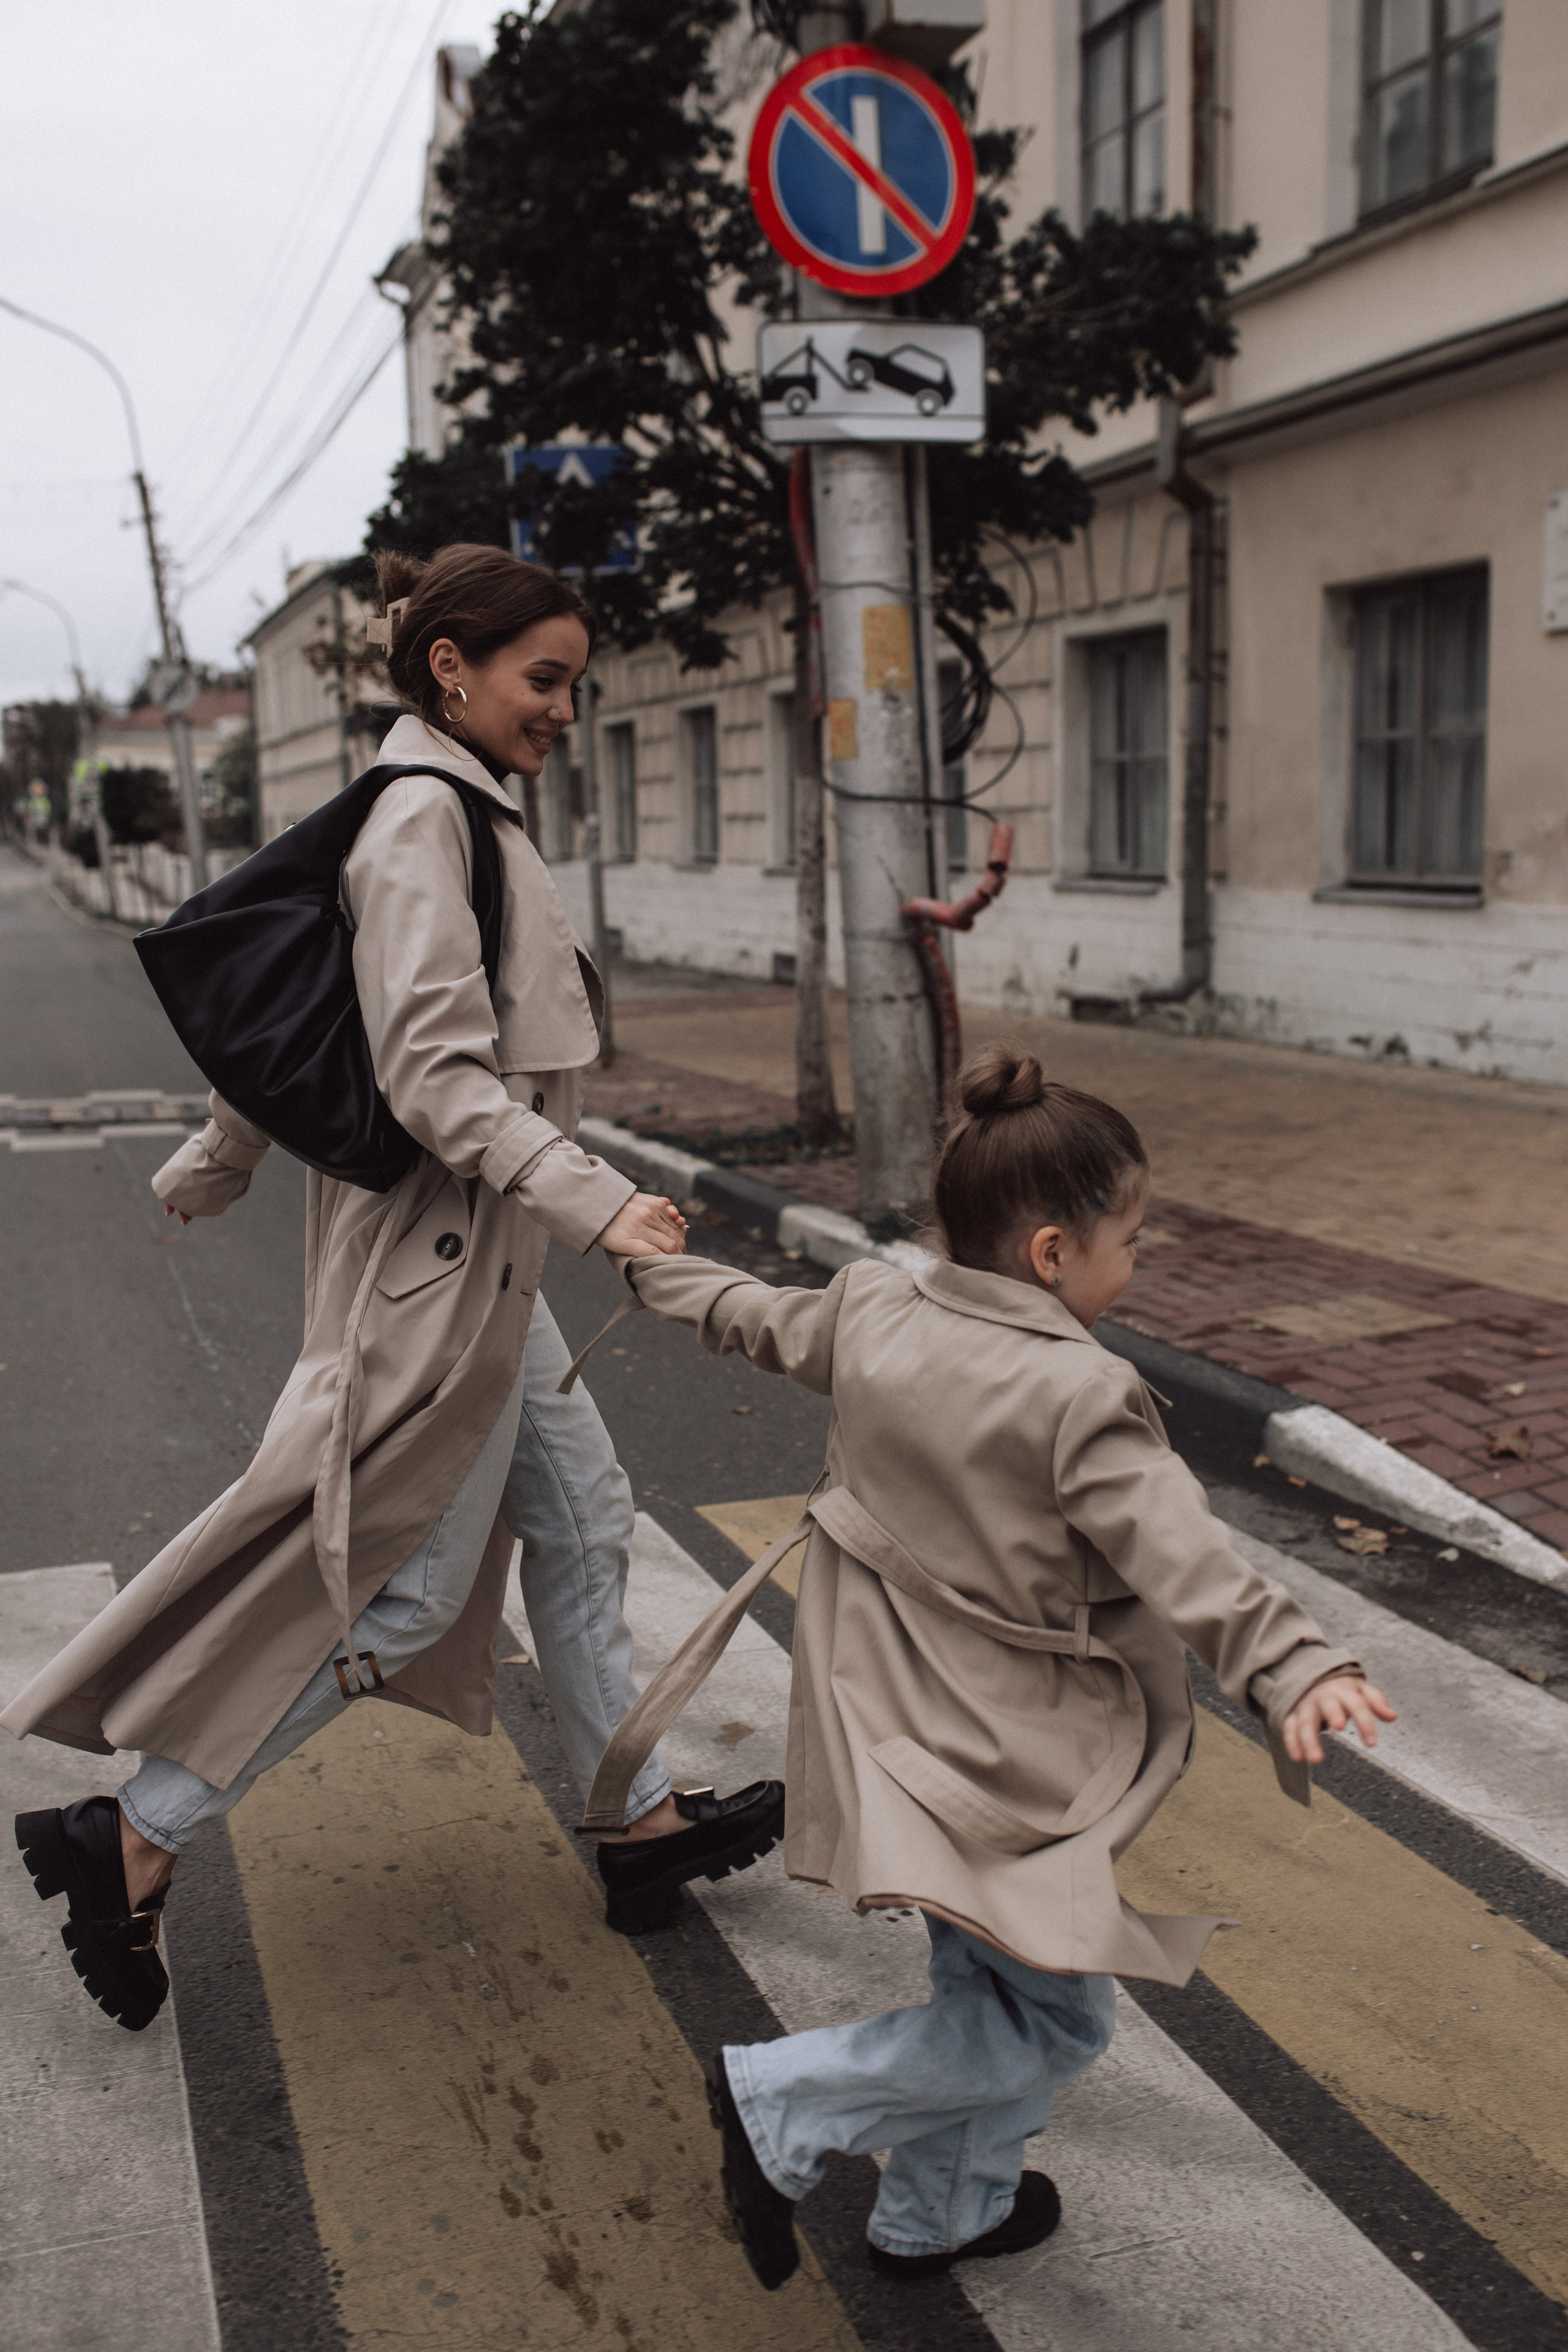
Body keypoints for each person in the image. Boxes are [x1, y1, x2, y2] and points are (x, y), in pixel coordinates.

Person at [7, 544, 783, 2034]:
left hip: (481, 1249)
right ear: (453, 670)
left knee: (582, 1514)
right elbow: (430, 1076)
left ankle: (632, 1822)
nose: (563, 706)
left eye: (571, 679)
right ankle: (140, 1831)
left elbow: (326, 1013)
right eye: (541, 678)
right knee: (402, 1577)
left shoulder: (442, 805)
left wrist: (221, 1151)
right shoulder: (427, 817)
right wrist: (603, 1200)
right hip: (445, 1258)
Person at [577, 1044, 1397, 2288]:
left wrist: (653, 1269)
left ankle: (939, 2213)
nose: (1139, 1259)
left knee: (983, 1971)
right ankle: (782, 2102)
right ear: (1050, 1254)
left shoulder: (875, 1308)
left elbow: (752, 1318)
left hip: (886, 1715)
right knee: (1052, 2015)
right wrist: (1292, 1664)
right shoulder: (1078, 1390)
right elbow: (1186, 1559)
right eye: (1129, 1236)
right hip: (1006, 1755)